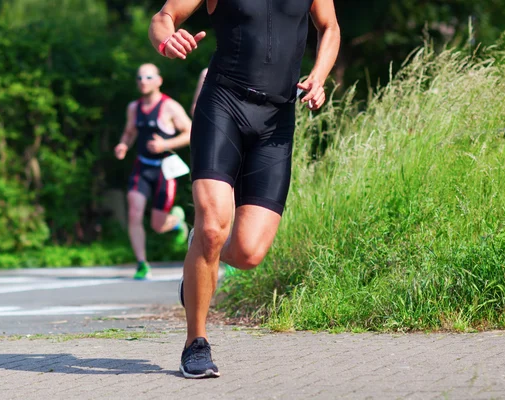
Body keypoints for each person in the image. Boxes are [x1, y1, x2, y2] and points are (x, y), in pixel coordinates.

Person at [149, 0, 340, 378]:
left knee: (250, 252)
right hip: (224, 105)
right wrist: (166, 41)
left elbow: (329, 27)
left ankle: (199, 251)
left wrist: (318, 76)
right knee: (212, 226)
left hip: (277, 120)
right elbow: (163, 16)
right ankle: (196, 343)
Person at [114, 63, 193, 280]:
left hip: (164, 170)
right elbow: (129, 133)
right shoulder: (134, 107)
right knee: (134, 212)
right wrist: (123, 145)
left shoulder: (170, 107)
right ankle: (141, 263)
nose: (143, 81)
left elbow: (191, 132)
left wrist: (165, 145)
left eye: (148, 77)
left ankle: (176, 221)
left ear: (159, 81)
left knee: (157, 226)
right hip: (142, 166)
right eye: (139, 78)